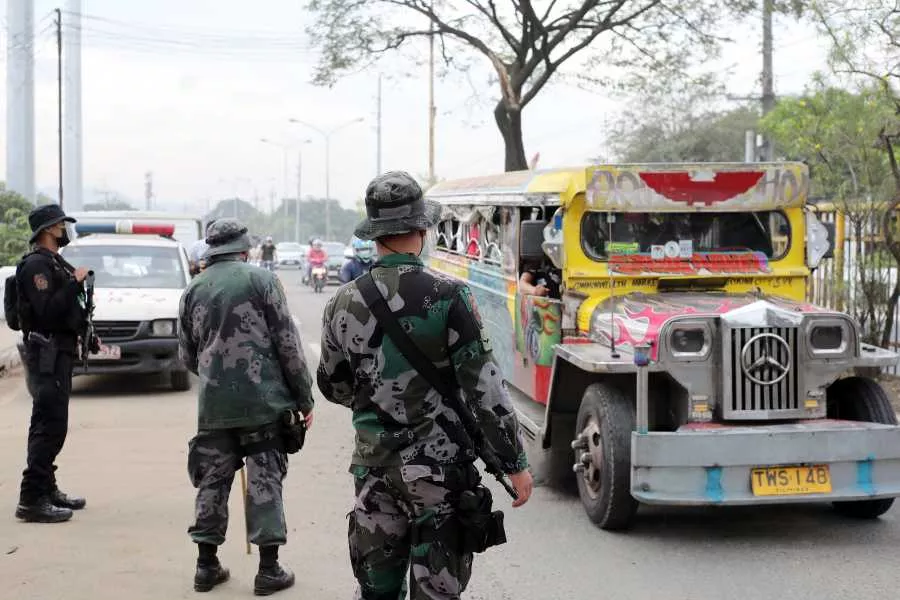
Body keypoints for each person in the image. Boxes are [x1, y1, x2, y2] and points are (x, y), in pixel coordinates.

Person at [317, 171, 533, 600]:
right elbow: (485, 391)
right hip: (440, 471)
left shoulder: (341, 301)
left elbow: (333, 385)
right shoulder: (451, 296)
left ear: (375, 235)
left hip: (374, 469)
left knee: (376, 590)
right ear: (422, 230)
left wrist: (383, 402)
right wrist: (514, 463)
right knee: (437, 591)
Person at [178, 219, 315, 595]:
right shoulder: (262, 282)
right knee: (264, 481)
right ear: (244, 246)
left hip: (215, 407)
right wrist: (304, 399)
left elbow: (187, 355)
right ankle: (268, 570)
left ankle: (206, 566)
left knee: (212, 481)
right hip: (263, 404)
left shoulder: (193, 290)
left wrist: (216, 376)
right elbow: (289, 346)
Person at [14, 205, 93, 523]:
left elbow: (67, 311)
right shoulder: (36, 265)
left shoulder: (52, 262)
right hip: (46, 355)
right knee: (50, 427)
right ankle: (31, 498)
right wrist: (74, 283)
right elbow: (47, 313)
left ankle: (46, 487)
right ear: (49, 229)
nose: (65, 230)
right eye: (62, 225)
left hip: (58, 352)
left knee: (45, 423)